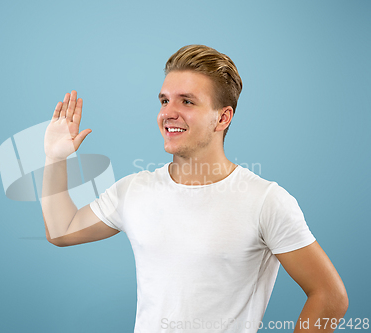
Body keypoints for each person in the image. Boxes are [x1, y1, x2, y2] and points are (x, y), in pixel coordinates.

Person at [41, 45, 348, 332]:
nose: (168, 113)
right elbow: (62, 230)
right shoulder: (134, 190)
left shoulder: (266, 201)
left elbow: (329, 296)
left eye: (186, 101)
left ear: (223, 117)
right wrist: (54, 158)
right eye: (164, 101)